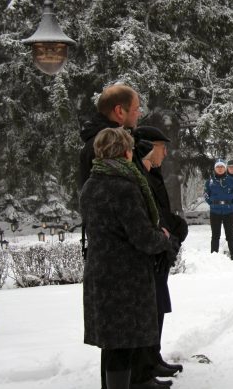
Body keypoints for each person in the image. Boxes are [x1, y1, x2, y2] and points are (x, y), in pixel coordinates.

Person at [80, 127, 179, 389]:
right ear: (124, 151)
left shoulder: (91, 184)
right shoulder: (124, 186)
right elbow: (142, 236)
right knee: (122, 345)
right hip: (125, 277)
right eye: (131, 148)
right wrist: (165, 238)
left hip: (101, 271)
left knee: (114, 345)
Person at [134, 126, 188, 379]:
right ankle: (145, 364)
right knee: (151, 307)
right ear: (148, 147)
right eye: (161, 147)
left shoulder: (153, 174)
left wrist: (176, 228)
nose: (165, 152)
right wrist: (170, 230)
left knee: (158, 305)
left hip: (161, 249)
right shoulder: (140, 175)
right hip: (152, 249)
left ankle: (152, 358)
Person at [79, 84, 143, 259]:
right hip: (118, 255)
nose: (139, 113)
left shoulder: (102, 142)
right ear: (119, 111)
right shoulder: (107, 146)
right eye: (136, 108)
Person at [205, 159, 233, 259]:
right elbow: (206, 194)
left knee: (230, 236)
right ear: (215, 169)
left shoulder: (232, 181)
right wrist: (211, 203)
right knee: (215, 236)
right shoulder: (210, 181)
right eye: (218, 167)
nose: (220, 169)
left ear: (225, 168)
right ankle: (213, 257)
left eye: (222, 167)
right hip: (215, 212)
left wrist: (232, 205)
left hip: (228, 211)